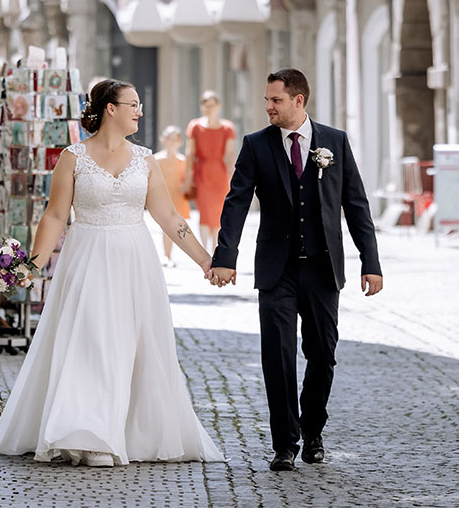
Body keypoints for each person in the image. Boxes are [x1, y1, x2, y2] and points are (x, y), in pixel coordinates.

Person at [0, 79, 225, 467]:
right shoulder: (73, 157)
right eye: (133, 104)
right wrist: (32, 267)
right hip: (88, 257)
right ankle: (90, 434)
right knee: (91, 342)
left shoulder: (146, 160)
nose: (139, 111)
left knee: (131, 344)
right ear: (110, 108)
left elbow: (170, 218)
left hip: (135, 262)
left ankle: (128, 432)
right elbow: (56, 215)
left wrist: (205, 260)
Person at [208, 68, 383, 472]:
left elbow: (356, 205)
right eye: (267, 100)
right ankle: (284, 443)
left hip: (323, 269)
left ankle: (314, 431)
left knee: (322, 355)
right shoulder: (256, 145)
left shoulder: (334, 142)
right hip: (276, 270)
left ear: (298, 100)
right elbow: (236, 203)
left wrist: (370, 263)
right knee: (278, 356)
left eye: (276, 100)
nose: (268, 106)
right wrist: (225, 256)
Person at [184, 91, 236, 251]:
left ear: (218, 106)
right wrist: (187, 177)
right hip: (202, 173)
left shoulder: (227, 128)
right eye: (205, 105)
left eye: (211, 105)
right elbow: (190, 153)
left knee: (219, 211)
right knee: (205, 212)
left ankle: (216, 248)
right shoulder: (195, 126)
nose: (208, 109)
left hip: (220, 175)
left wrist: (234, 179)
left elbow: (229, 155)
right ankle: (205, 250)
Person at [154, 126, 189, 267]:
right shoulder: (157, 159)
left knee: (176, 226)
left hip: (178, 196)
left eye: (175, 138)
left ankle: (170, 255)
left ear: (179, 141)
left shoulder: (183, 160)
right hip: (163, 197)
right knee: (165, 226)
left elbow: (185, 180)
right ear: (163, 139)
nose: (172, 141)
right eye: (169, 138)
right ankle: (166, 255)